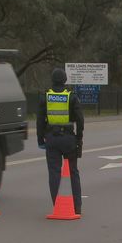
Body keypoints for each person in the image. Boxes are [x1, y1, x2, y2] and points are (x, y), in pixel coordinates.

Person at [37, 68, 84, 214]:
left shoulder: (46, 96)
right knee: (73, 172)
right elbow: (80, 119)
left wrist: (40, 139)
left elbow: (39, 120)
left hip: (51, 138)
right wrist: (79, 137)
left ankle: (58, 205)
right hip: (69, 138)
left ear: (52, 80)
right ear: (65, 80)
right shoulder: (71, 97)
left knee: (54, 173)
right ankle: (76, 207)